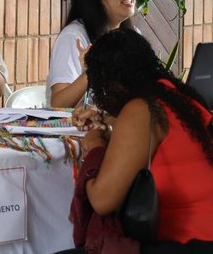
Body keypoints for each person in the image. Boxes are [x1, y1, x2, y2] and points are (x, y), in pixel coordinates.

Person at [68, 28, 213, 253]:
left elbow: (102, 200)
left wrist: (95, 147)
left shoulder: (140, 110)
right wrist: (104, 120)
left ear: (110, 83)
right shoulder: (173, 96)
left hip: (187, 242)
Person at [47, 0, 137, 108]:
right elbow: (58, 105)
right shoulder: (74, 37)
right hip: (79, 124)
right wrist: (91, 72)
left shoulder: (133, 37)